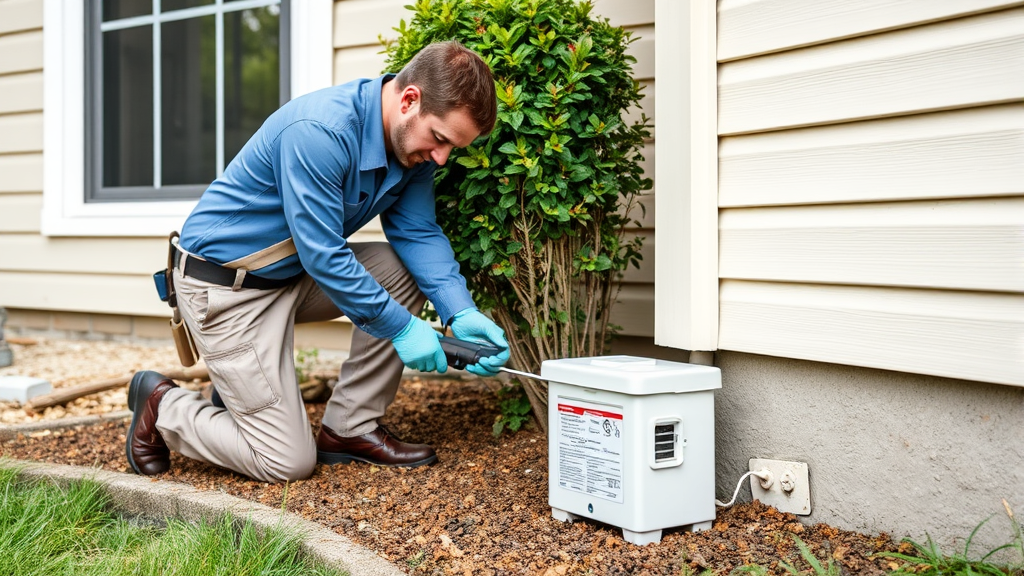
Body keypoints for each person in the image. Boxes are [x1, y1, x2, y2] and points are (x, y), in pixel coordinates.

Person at [125, 41, 510, 483]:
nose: (441, 157)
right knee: (285, 461)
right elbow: (323, 252)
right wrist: (402, 327)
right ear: (409, 100)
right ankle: (163, 406)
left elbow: (417, 232)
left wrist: (459, 310)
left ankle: (350, 427)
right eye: (440, 139)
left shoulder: (412, 147)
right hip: (225, 290)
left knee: (400, 267)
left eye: (451, 148)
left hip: (289, 277)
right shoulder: (320, 130)